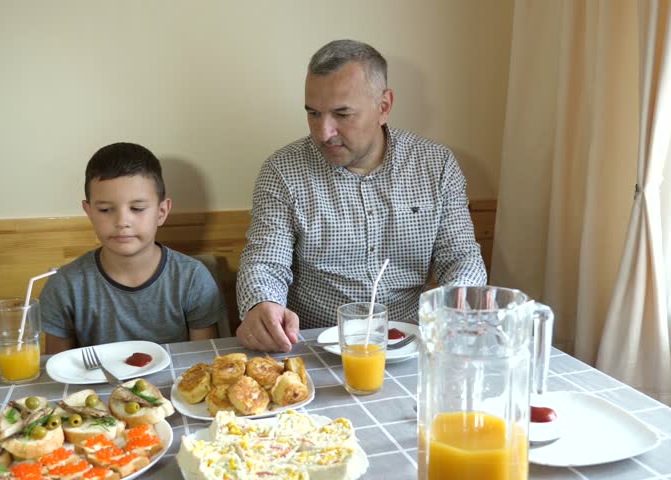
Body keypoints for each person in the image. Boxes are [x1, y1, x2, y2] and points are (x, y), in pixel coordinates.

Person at [236, 39, 487, 352]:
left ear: (383, 107)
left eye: (342, 114)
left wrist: (459, 305)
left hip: (411, 341)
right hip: (315, 347)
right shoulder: (283, 171)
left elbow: (461, 255)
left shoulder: (435, 165)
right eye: (313, 113)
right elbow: (265, 262)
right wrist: (262, 303)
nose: (323, 132)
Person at [41, 142, 227, 354]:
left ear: (162, 212)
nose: (122, 221)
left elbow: (202, 366)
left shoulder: (192, 278)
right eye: (105, 209)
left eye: (137, 208)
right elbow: (57, 372)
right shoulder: (65, 285)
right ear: (89, 211)